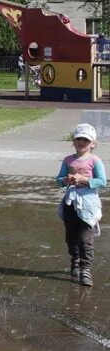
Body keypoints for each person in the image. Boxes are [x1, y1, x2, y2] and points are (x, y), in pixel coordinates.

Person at [56, 122, 106, 288]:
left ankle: (86, 269)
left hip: (88, 205)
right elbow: (58, 180)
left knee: (85, 239)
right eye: (79, 139)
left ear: (93, 144)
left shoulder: (95, 160)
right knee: (71, 237)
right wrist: (65, 180)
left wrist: (84, 180)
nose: (82, 142)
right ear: (74, 141)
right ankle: (75, 260)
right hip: (71, 203)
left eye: (86, 140)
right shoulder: (68, 160)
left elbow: (102, 181)